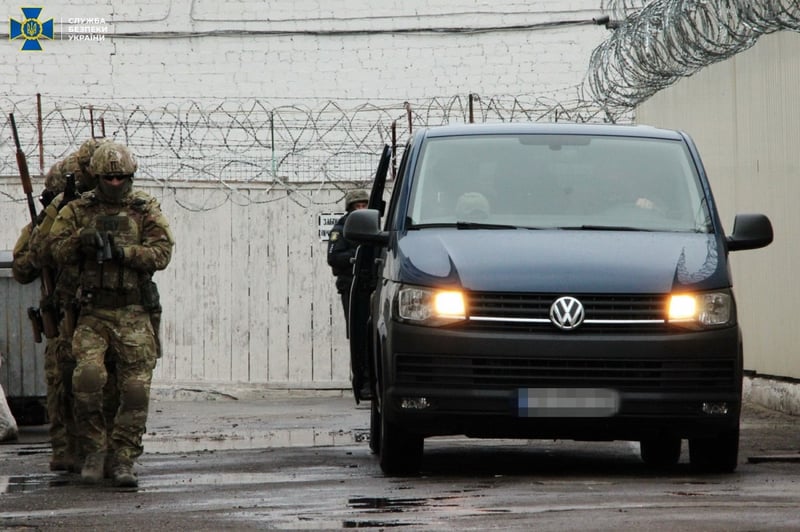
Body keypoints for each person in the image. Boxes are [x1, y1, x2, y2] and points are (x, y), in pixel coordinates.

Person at [48, 141, 174, 487]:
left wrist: (124, 252)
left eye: (121, 178)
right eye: (109, 178)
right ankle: (94, 450)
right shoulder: (79, 210)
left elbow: (161, 252)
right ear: (98, 177)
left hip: (133, 311)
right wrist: (81, 240)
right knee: (87, 380)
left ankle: (123, 458)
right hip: (94, 312)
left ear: (130, 177)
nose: (115, 184)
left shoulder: (144, 208)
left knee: (135, 390)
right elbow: (54, 250)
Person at [29, 141, 113, 475]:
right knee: (64, 384)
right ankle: (68, 451)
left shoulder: (117, 208)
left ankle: (105, 451)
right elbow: (31, 258)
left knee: (106, 386)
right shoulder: (61, 212)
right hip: (66, 314)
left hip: (101, 310)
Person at [11, 160, 77, 471]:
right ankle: (64, 449)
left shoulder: (89, 216)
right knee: (60, 385)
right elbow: (22, 268)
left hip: (95, 313)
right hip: (61, 318)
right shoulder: (42, 226)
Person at [327, 189, 369, 325]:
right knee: (356, 326)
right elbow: (333, 257)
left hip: (370, 284)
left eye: (364, 206)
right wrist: (357, 254)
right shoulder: (340, 229)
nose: (361, 209)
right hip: (351, 285)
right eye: (358, 206)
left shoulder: (371, 226)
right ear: (350, 209)